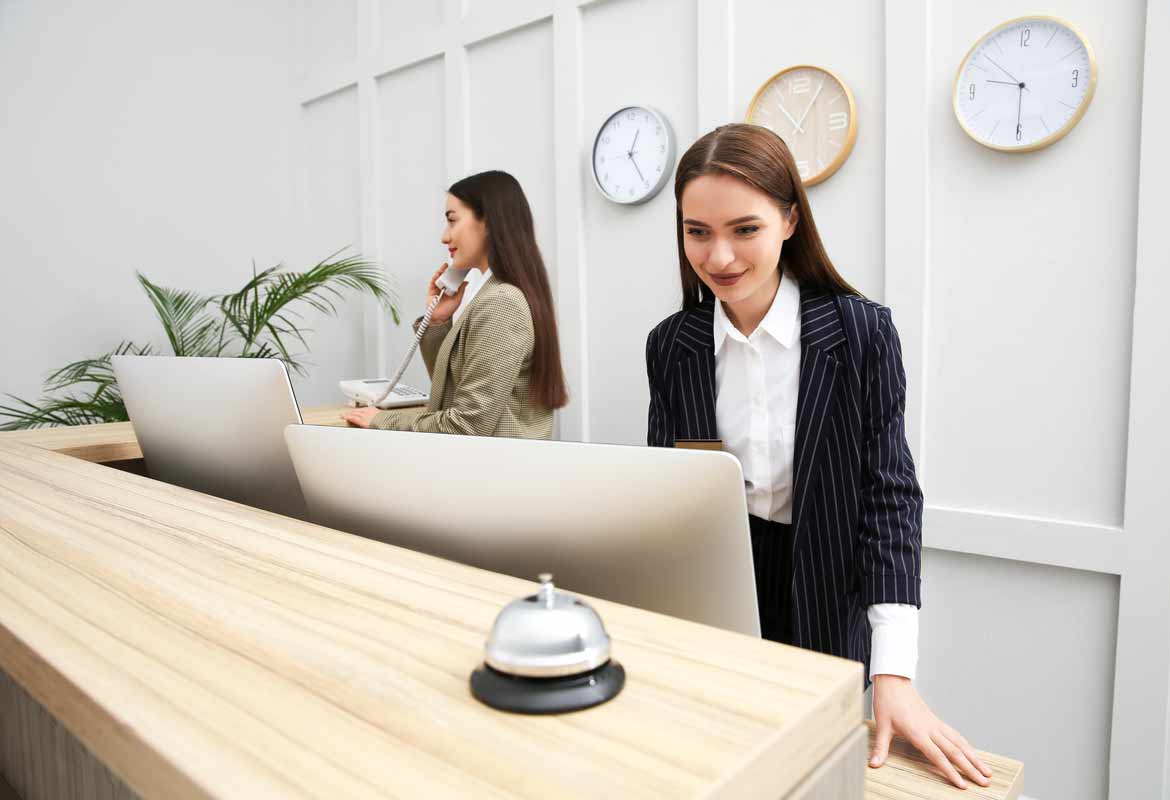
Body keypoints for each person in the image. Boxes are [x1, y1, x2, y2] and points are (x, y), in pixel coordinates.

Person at [645, 124, 991, 789]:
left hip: (826, 594)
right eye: (697, 232)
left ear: (790, 221)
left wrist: (894, 673)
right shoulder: (671, 346)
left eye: (745, 229)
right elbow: (670, 492)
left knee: (813, 773)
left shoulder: (861, 332)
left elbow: (889, 499)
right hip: (721, 588)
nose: (719, 256)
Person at [344, 170, 567, 437]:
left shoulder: (501, 303)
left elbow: (466, 425)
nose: (444, 236)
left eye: (452, 221)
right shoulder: (497, 294)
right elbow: (453, 394)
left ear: (489, 222)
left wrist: (384, 420)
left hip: (490, 462)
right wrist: (437, 320)